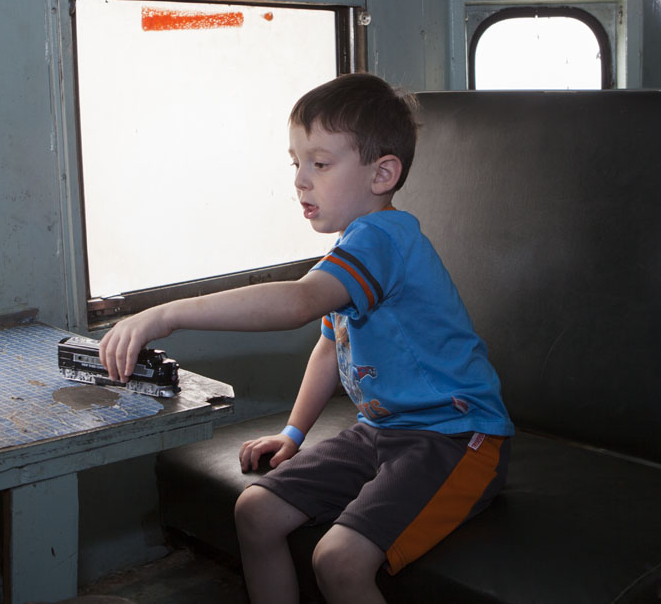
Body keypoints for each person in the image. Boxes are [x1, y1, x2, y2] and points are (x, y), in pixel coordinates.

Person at [98, 72, 514, 604]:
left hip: (455, 437)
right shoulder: (351, 251)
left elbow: (297, 304)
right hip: (381, 431)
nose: (300, 180)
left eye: (320, 163)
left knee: (338, 560)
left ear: (383, 173)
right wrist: (293, 435)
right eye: (296, 163)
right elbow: (329, 346)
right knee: (256, 512)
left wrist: (169, 314)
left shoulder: (384, 240)